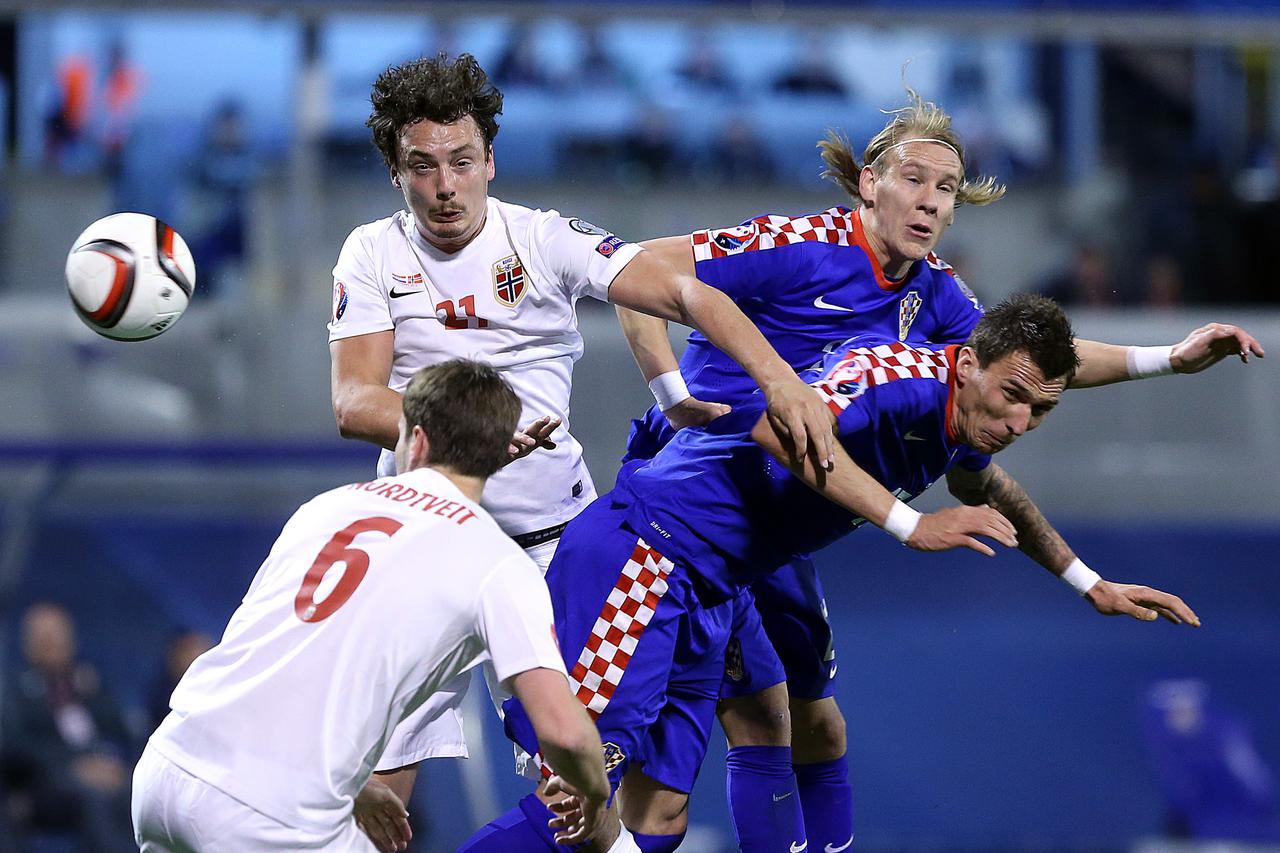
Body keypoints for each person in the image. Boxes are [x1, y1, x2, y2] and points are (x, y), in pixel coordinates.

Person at [612, 89, 1264, 852]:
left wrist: (1169, 359)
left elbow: (1036, 362)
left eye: (946, 187)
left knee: (815, 724)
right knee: (659, 776)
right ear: (869, 184)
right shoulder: (800, 245)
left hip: (782, 514)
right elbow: (635, 271)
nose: (928, 201)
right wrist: (675, 395)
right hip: (697, 497)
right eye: (913, 179)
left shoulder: (938, 295)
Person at [464, 295, 1201, 853]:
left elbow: (990, 489)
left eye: (1039, 412)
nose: (1016, 424)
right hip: (646, 558)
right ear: (968, 361)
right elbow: (779, 427)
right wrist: (911, 524)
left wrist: (1089, 582)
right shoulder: (890, 378)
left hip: (720, 580)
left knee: (667, 810)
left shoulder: (961, 420)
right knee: (579, 800)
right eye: (1012, 397)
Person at [326, 51, 833, 827]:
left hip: (551, 552)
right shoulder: (372, 252)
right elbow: (355, 399)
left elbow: (683, 291)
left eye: (461, 161)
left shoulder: (544, 238)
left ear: (490, 159)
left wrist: (774, 379)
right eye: (420, 166)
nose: (444, 185)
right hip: (422, 546)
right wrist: (474, 434)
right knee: (378, 795)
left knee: (589, 787)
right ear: (395, 171)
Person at [132, 360, 621, 852]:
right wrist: (596, 797)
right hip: (269, 813)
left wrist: (355, 782)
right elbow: (565, 733)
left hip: (169, 768)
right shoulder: (496, 563)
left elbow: (269, 663)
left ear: (419, 440)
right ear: (496, 457)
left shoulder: (324, 509)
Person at [1, 602, 137, 853]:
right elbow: (16, 746)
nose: (55, 644)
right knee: (93, 798)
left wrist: (114, 762)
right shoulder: (17, 691)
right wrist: (75, 765)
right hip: (49, 786)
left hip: (107, 771)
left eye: (60, 635)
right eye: (46, 638)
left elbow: (122, 730)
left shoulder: (90, 682)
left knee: (146, 791)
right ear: (28, 644)